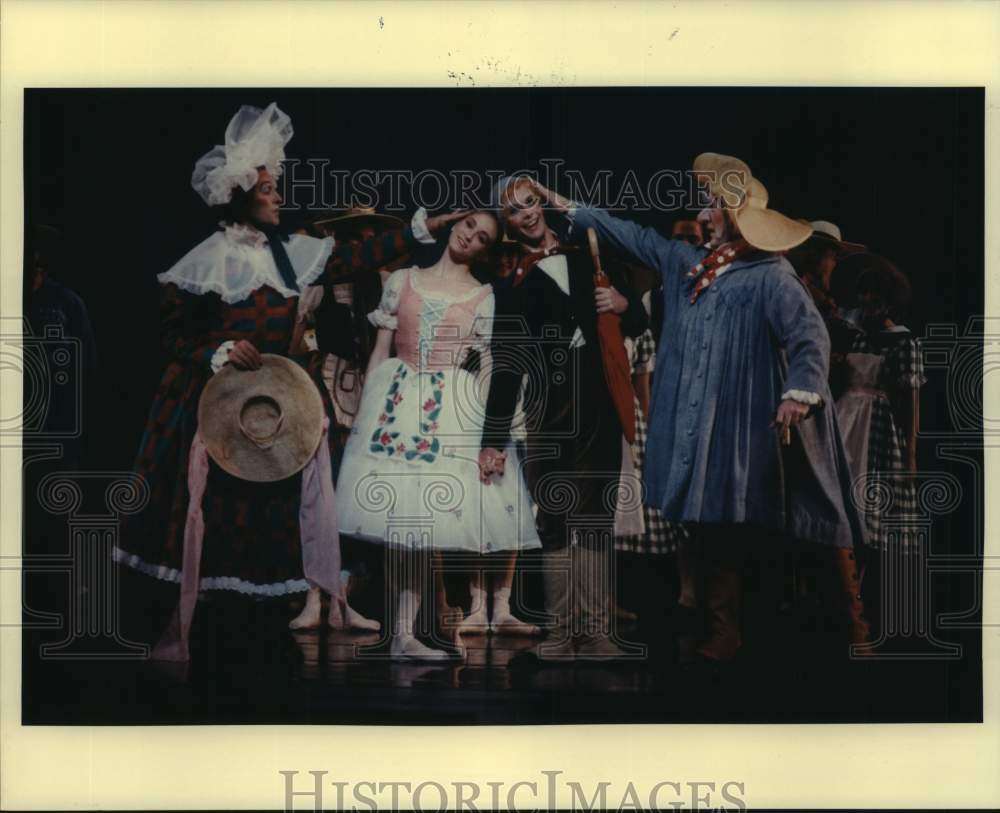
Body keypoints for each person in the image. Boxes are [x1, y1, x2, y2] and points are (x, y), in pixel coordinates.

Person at [114, 103, 451, 636]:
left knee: (281, 497)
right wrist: (217, 351)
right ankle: (217, 624)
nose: (278, 197)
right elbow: (173, 335)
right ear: (243, 195)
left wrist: (422, 228)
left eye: (275, 187)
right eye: (268, 189)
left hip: (280, 397)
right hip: (218, 398)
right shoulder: (204, 260)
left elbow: (357, 257)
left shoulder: (292, 253)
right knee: (217, 501)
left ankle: (286, 612)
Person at [563, 153, 870, 662]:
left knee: (804, 523)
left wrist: (800, 392)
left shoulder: (771, 275)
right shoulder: (691, 268)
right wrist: (575, 210)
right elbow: (636, 238)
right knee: (713, 522)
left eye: (712, 207)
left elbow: (808, 337)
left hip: (757, 421)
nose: (703, 216)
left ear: (738, 218)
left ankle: (848, 631)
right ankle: (722, 630)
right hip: (705, 425)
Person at [335, 209, 542, 661]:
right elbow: (381, 350)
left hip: (451, 406)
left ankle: (410, 633)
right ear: (454, 225)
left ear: (487, 249)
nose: (470, 237)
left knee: (427, 518)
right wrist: (366, 412)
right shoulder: (403, 280)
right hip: (397, 399)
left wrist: (493, 435)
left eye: (483, 237)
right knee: (399, 519)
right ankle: (402, 634)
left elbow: (490, 369)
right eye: (469, 226)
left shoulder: (484, 296)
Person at [478, 176, 649, 661]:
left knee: (594, 516)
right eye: (514, 210)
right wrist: (491, 440)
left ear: (543, 205)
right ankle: (558, 631)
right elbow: (507, 367)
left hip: (596, 400)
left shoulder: (590, 254)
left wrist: (621, 304)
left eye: (531, 203)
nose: (526, 214)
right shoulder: (512, 287)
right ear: (507, 223)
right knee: (554, 515)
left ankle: (595, 633)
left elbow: (638, 319)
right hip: (547, 407)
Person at [835, 255, 924, 562]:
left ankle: (860, 592)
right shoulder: (856, 338)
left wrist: (911, 456)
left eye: (876, 293)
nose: (868, 299)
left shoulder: (903, 342)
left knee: (869, 507)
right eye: (865, 292)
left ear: (889, 299)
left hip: (877, 430)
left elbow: (912, 402)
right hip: (845, 420)